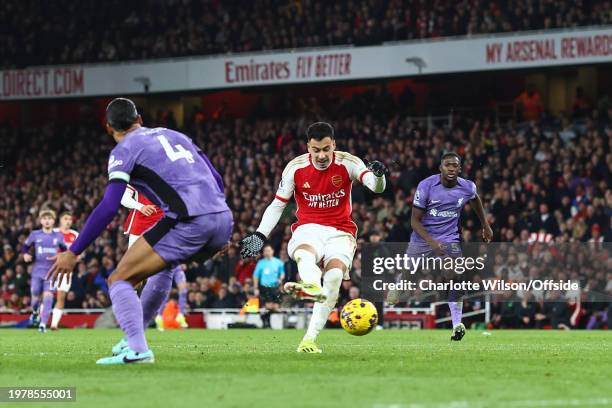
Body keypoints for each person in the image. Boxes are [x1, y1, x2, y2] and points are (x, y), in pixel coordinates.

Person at [47, 98, 232, 364]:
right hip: (221, 217)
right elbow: (217, 178)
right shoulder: (175, 135)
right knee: (164, 268)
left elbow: (110, 206)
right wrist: (219, 225)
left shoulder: (124, 149)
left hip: (189, 221)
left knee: (119, 279)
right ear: (140, 119)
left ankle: (138, 349)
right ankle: (133, 340)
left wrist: (74, 252)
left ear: (109, 128)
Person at [239, 121, 387, 353]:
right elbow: (277, 205)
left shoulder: (348, 162)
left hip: (341, 231)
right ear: (308, 147)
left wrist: (378, 176)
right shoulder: (295, 168)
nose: (321, 155)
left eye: (326, 149)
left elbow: (376, 187)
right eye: (316, 150)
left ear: (333, 145)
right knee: (304, 254)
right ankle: (310, 285)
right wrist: (260, 234)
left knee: (336, 275)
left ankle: (309, 339)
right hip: (308, 227)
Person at [408, 152, 492, 341]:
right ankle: (399, 283)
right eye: (447, 165)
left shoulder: (467, 186)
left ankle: (456, 325)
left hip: (450, 238)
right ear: (440, 168)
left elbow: (475, 198)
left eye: (455, 165)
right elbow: (414, 220)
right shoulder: (426, 185)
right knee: (408, 272)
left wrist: (485, 225)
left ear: (459, 169)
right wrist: (432, 243)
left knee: (455, 273)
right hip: (423, 237)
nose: (451, 168)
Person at [119, 183, 189, 332]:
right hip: (139, 228)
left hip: (163, 227)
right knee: (133, 274)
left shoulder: (169, 176)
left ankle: (151, 317)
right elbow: (124, 198)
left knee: (159, 274)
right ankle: (131, 314)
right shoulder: (137, 177)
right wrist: (140, 206)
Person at [21, 209, 67, 332]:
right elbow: (25, 247)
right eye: (44, 219)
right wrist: (25, 254)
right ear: (41, 221)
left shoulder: (58, 236)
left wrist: (61, 258)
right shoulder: (35, 234)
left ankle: (43, 324)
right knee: (35, 295)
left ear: (53, 221)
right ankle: (35, 311)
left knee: (48, 296)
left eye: (49, 219)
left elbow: (65, 250)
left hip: (51, 270)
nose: (47, 221)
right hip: (37, 270)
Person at [50, 211, 79, 330]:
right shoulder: (53, 233)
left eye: (70, 219)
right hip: (50, 268)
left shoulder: (75, 234)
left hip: (66, 270)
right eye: (65, 219)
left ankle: (54, 324)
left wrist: (72, 261)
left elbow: (79, 253)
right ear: (60, 220)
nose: (68, 221)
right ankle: (40, 320)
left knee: (61, 296)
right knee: (46, 295)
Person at [253, 244, 285, 328]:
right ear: (263, 253)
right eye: (265, 251)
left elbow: (282, 273)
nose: (267, 252)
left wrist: (280, 279)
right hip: (265, 287)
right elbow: (256, 276)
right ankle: (268, 323)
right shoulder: (261, 263)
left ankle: (264, 317)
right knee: (269, 306)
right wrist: (256, 288)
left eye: (268, 250)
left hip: (275, 287)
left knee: (276, 307)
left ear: (272, 251)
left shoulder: (278, 262)